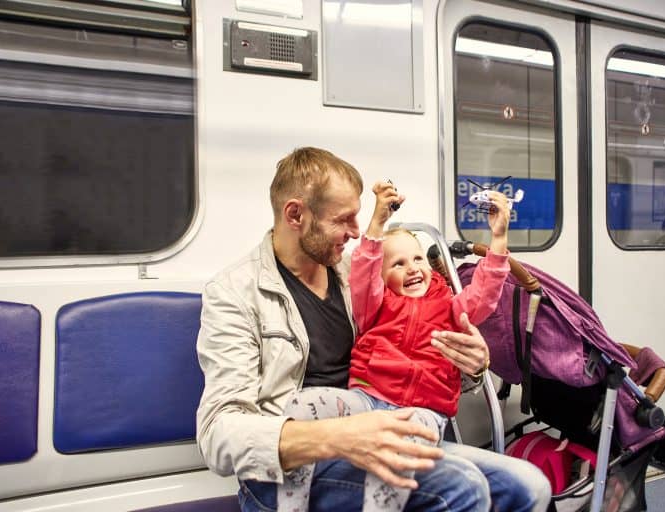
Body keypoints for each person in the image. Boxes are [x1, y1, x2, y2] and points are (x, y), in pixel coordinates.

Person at [195, 146, 551, 511]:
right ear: (295, 215)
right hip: (294, 467)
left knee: (528, 486)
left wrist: (471, 365)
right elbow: (218, 436)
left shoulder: (358, 275)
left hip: (381, 427)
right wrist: (338, 437)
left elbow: (417, 361)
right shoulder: (235, 293)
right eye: (343, 220)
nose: (354, 232)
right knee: (461, 486)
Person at [276, 181, 513, 511]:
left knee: (395, 455)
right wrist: (376, 224)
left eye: (417, 259)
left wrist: (498, 240)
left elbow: (485, 295)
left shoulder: (449, 305)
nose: (413, 267)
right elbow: (363, 271)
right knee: (302, 404)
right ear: (383, 276)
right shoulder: (375, 305)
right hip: (367, 401)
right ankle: (291, 504)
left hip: (422, 413)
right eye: (398, 264)